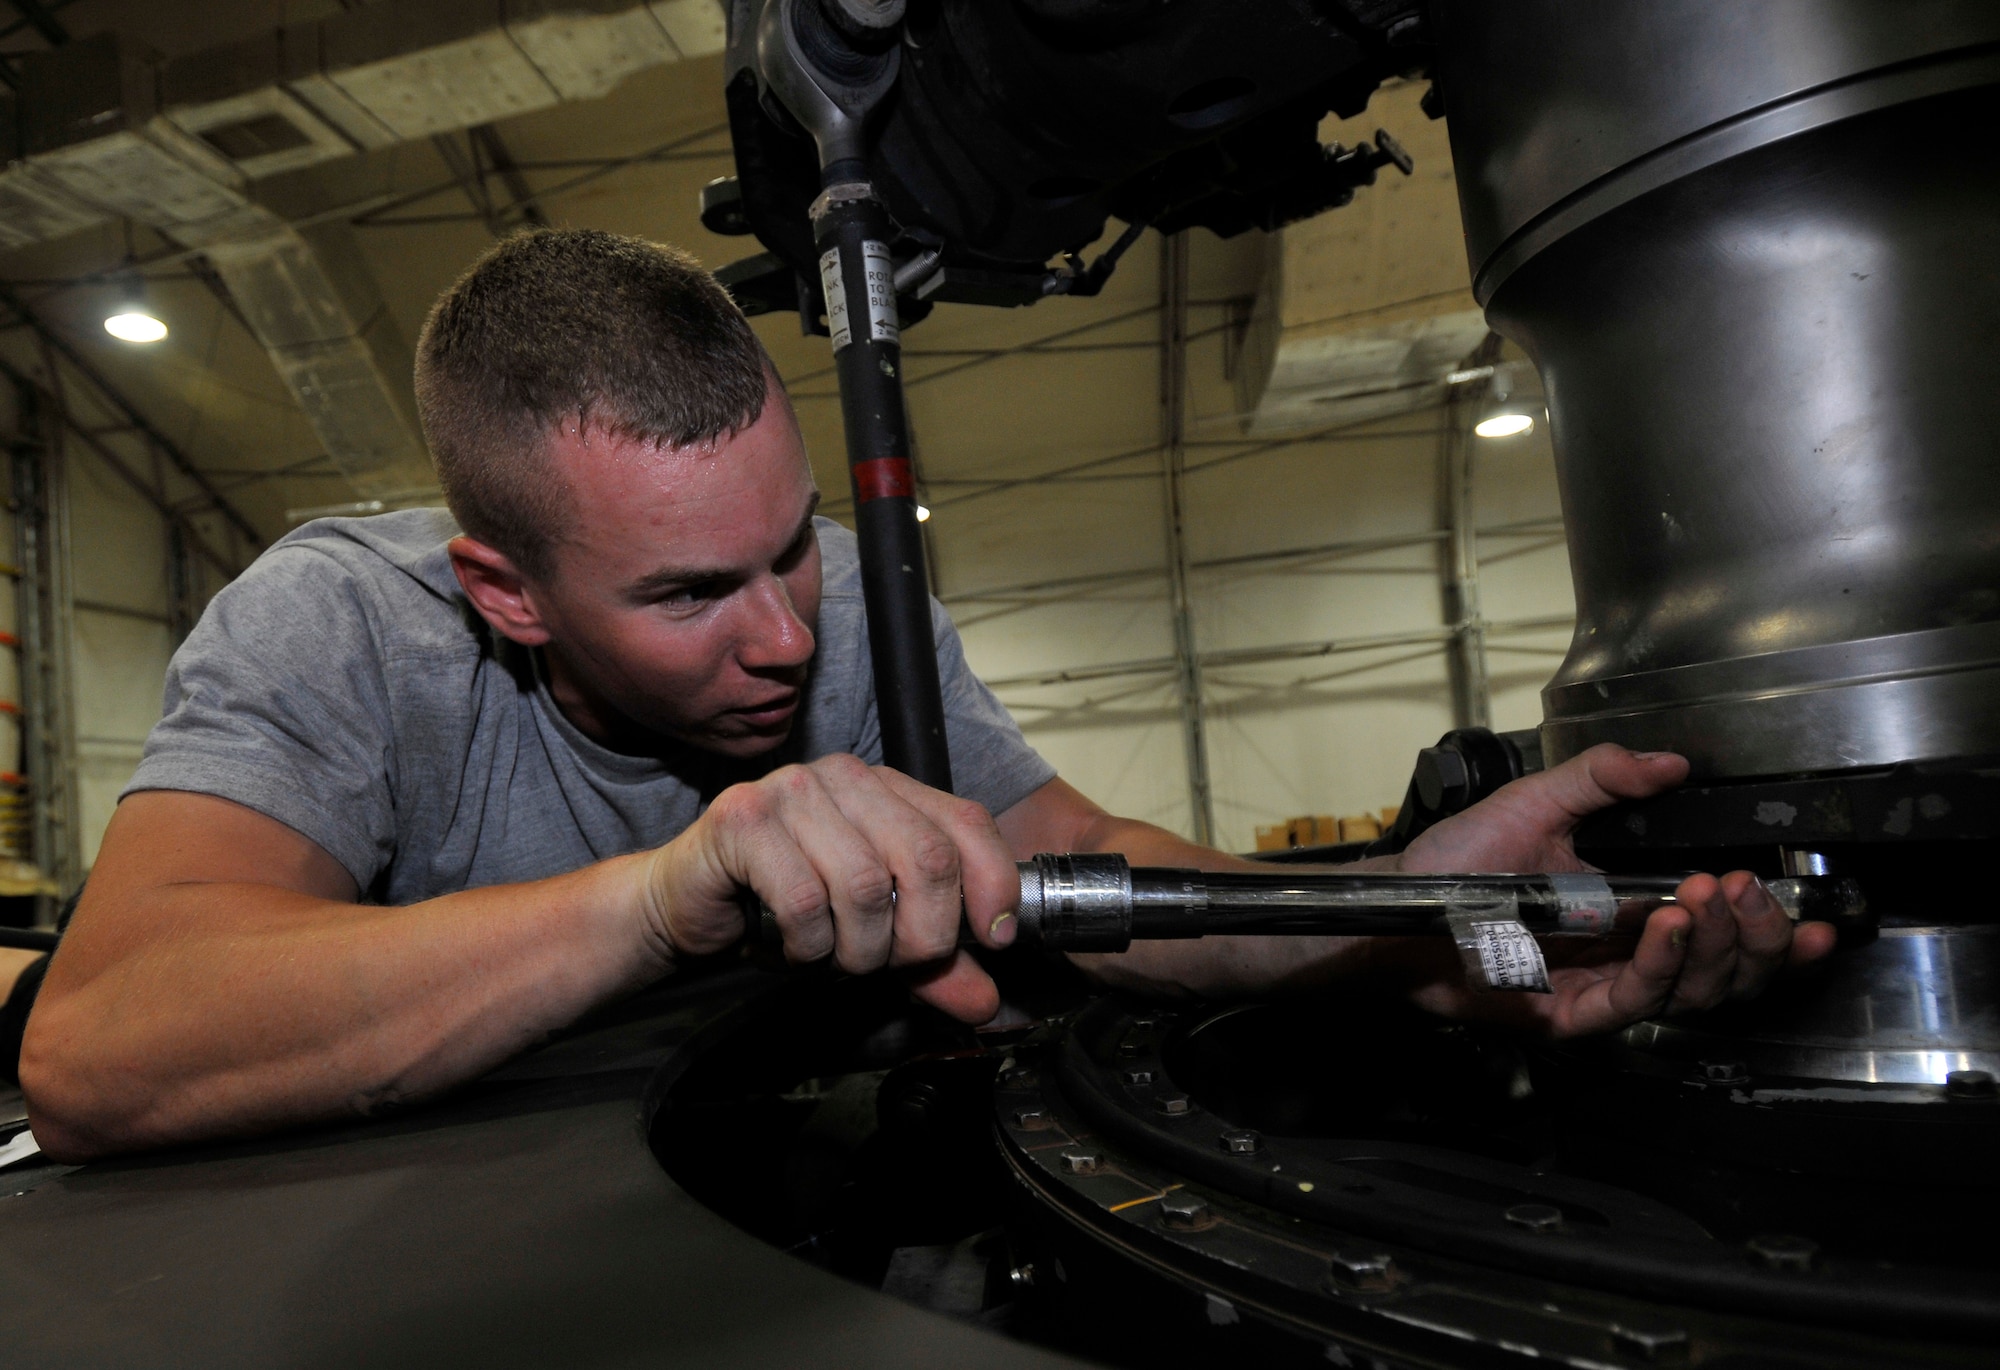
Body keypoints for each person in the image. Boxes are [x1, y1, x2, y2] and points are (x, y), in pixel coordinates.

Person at [14, 231, 1833, 1161]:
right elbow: (99, 1052)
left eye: (787, 547)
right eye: (687, 592)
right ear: (507, 590)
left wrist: (1434, 893)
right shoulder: (342, 625)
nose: (788, 638)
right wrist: (667, 892)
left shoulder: (854, 619)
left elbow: (1096, 874)